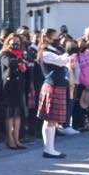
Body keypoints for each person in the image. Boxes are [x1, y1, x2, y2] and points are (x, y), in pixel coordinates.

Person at [37, 29, 72, 159]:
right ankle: (48, 149)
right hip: (52, 86)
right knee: (50, 119)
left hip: (58, 86)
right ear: (49, 38)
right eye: (56, 37)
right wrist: (70, 51)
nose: (59, 38)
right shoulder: (45, 53)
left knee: (52, 120)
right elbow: (62, 61)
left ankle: (50, 148)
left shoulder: (55, 49)